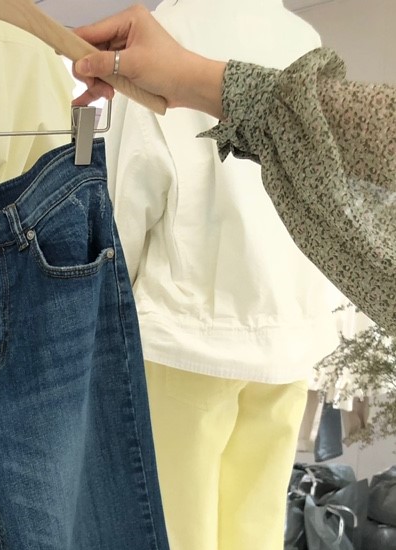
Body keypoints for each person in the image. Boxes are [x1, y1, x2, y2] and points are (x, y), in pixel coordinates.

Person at [72, 4, 396, 336]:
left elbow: (123, 214)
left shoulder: (156, 34)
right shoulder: (306, 40)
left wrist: (94, 321)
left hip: (182, 334)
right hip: (301, 334)